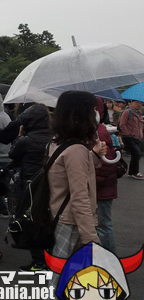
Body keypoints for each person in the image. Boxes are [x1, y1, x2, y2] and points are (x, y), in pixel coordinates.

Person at [48, 91, 104, 289]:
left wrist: (93, 156)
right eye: (92, 109)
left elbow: (63, 177)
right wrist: (92, 239)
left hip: (59, 215)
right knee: (63, 279)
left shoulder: (57, 142)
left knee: (62, 275)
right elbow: (80, 197)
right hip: (72, 221)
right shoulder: (76, 151)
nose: (96, 114)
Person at [8, 104, 52, 272]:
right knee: (46, 221)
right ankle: (49, 258)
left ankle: (38, 261)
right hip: (49, 184)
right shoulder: (54, 137)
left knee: (30, 221)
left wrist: (19, 137)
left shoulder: (26, 140)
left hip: (29, 185)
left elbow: (13, 154)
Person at [95, 97, 118, 253]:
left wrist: (89, 180)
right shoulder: (97, 129)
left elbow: (106, 165)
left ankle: (110, 260)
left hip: (101, 188)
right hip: (102, 187)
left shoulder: (97, 132)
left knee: (103, 225)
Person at [119, 99, 144, 179]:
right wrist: (127, 134)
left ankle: (131, 172)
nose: (138, 104)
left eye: (140, 102)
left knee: (134, 154)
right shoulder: (127, 112)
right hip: (128, 137)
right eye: (136, 102)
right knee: (137, 153)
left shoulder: (139, 113)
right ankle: (135, 172)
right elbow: (122, 124)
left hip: (137, 137)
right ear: (131, 102)